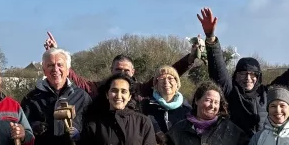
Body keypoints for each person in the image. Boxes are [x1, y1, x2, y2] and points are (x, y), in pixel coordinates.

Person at [199, 7, 289, 136]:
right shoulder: (230, 93)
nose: (248, 78)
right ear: (236, 76)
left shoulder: (267, 94)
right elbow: (218, 70)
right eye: (243, 73)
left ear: (259, 77)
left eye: (253, 74)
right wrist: (211, 39)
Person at [46, 32, 199, 107]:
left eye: (126, 71)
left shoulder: (141, 90)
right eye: (118, 70)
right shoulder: (99, 88)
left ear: (133, 72)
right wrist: (58, 56)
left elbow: (168, 74)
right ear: (111, 70)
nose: (122, 74)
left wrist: (190, 58)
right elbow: (77, 80)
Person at [141, 65, 192, 134]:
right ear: (156, 85)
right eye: (162, 78)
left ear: (177, 83)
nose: (166, 82)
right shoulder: (145, 106)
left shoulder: (188, 110)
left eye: (170, 78)